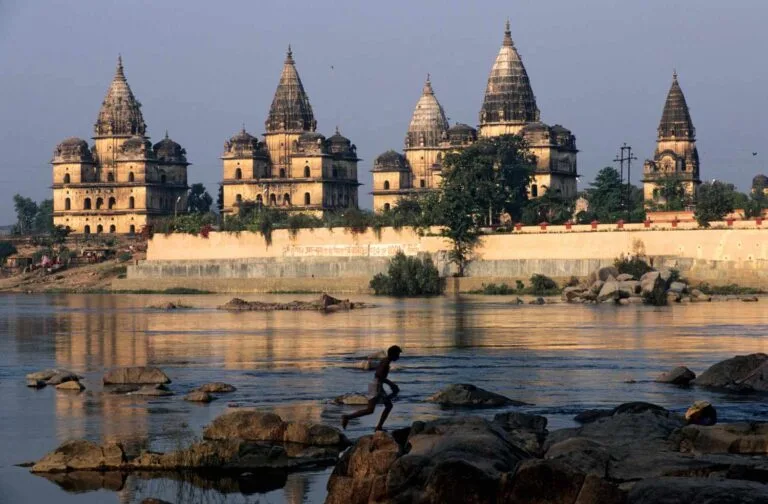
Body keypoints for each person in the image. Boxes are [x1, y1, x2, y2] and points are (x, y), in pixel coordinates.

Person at [342, 345, 402, 431]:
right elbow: (378, 375)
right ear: (393, 354)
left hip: (375, 385)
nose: (398, 357)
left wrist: (390, 384)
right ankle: (348, 417)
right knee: (380, 407)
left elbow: (378, 375)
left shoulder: (386, 360)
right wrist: (391, 384)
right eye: (398, 354)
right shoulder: (386, 362)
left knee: (378, 408)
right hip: (376, 386)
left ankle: (349, 417)